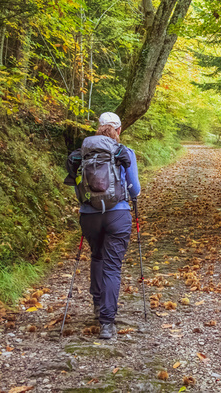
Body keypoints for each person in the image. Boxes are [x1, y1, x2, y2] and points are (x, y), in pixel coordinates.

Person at [73, 112, 140, 339]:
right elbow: (135, 191)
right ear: (119, 130)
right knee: (112, 266)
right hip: (118, 215)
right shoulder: (124, 152)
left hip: (89, 216)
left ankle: (97, 305)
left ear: (98, 128)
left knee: (97, 257)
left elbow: (77, 187)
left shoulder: (83, 154)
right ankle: (107, 323)